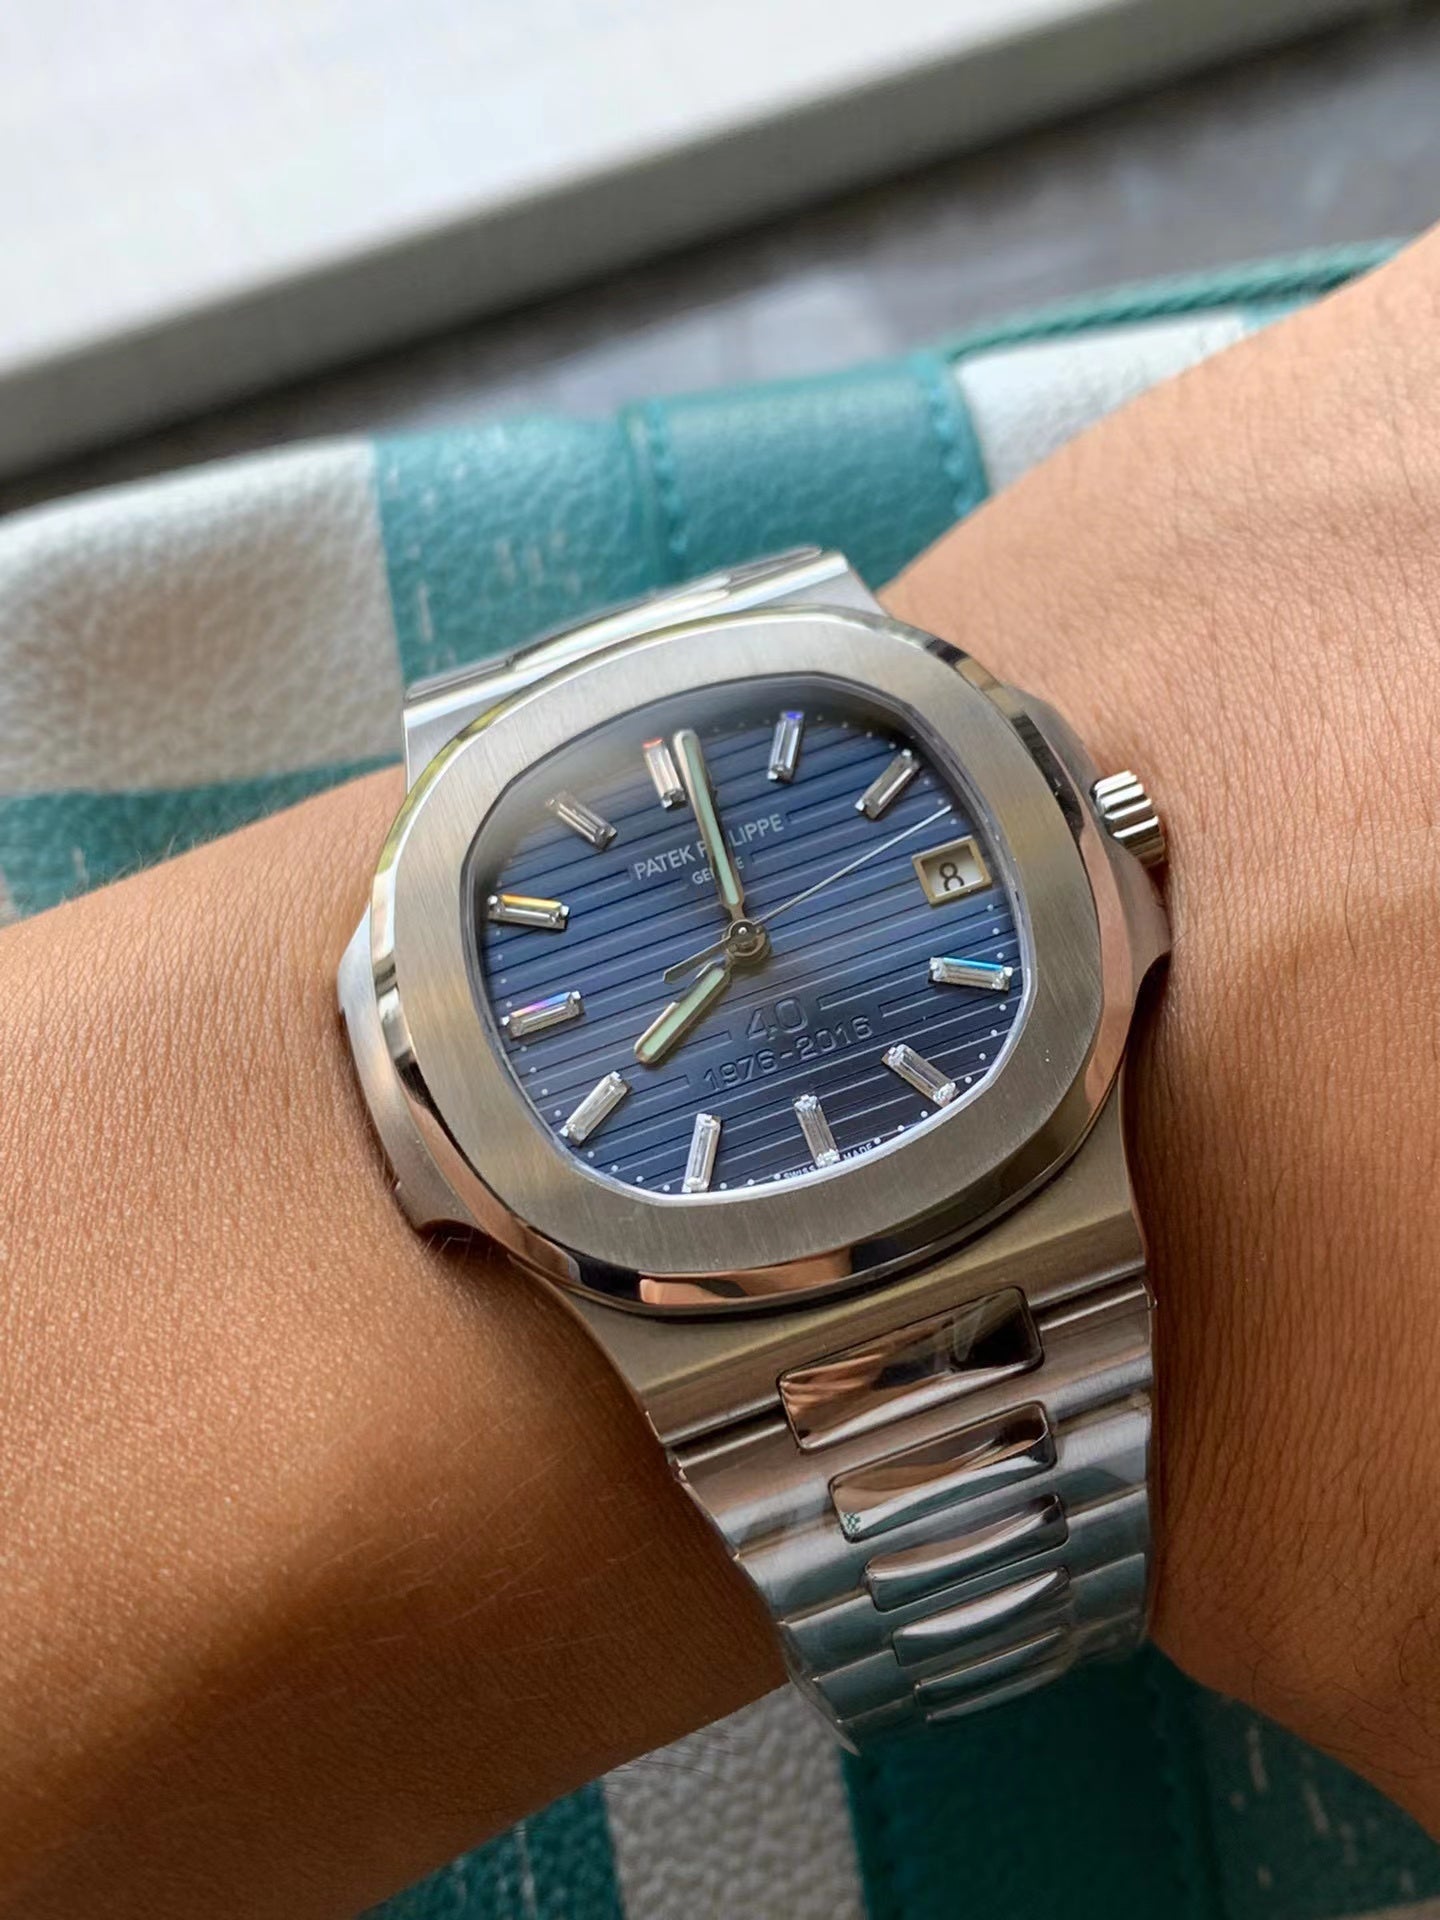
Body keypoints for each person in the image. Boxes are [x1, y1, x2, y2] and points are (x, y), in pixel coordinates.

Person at [5, 226, 1440, 1917]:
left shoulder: (1057, 907)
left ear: (1112, 848)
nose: (745, 947)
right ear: (427, 1153)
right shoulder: (471, 1121)